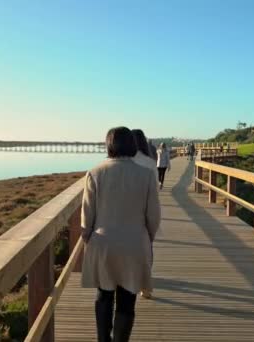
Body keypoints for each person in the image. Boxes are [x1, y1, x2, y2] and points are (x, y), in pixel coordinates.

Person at [82, 126, 161, 342]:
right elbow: (153, 216)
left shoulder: (95, 173)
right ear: (133, 146)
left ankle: (102, 339)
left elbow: (87, 216)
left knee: (104, 295)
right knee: (127, 299)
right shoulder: (146, 174)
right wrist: (147, 237)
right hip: (135, 243)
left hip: (103, 242)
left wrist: (87, 237)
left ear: (108, 145)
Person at [131, 129, 157, 300]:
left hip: (125, 211)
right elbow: (154, 190)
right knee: (147, 248)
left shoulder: (126, 161)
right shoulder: (149, 162)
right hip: (145, 210)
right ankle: (145, 286)